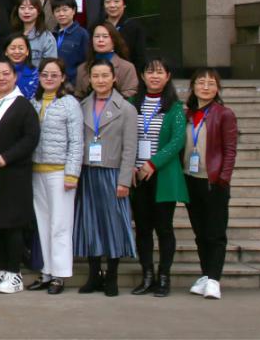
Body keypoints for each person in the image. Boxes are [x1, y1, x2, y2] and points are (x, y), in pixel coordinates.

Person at [75, 58, 138, 297]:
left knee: (114, 224)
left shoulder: (126, 109)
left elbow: (130, 148)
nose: (100, 80)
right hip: (87, 172)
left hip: (112, 172)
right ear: (89, 79)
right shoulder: (82, 106)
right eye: (96, 76)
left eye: (105, 76)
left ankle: (112, 275)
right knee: (89, 224)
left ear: (114, 78)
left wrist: (124, 180)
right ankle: (94, 274)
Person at [130, 56, 188, 298]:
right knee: (142, 229)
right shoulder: (132, 104)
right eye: (150, 72)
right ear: (143, 76)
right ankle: (147, 275)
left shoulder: (175, 108)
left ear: (168, 76)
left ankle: (164, 276)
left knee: (164, 228)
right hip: (137, 177)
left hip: (162, 175)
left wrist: (152, 163)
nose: (154, 76)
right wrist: (130, 166)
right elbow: (125, 137)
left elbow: (177, 141)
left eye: (160, 72)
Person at [0, 60, 40, 294]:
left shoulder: (23, 105)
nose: (1, 78)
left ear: (15, 77)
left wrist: (6, 157)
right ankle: (2, 268)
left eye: (6, 73)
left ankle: (14, 272)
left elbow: (31, 138)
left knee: (13, 223)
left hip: (14, 172)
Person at [29, 58, 84, 294]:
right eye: (45, 74)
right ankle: (46, 271)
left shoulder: (69, 103)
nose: (49, 79)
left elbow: (77, 141)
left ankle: (60, 275)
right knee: (43, 223)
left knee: (60, 225)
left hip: (60, 172)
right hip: (37, 170)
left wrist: (72, 173)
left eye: (54, 75)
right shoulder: (34, 102)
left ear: (63, 77)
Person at [184, 68, 238, 300]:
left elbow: (230, 150)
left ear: (217, 88)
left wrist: (223, 179)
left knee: (215, 232)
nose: (205, 87)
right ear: (193, 86)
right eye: (201, 82)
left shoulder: (224, 114)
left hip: (214, 181)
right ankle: (206, 275)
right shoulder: (188, 114)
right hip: (190, 179)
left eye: (211, 83)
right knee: (200, 232)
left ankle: (214, 279)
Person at [74, 22, 139, 99]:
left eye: (105, 36)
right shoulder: (82, 69)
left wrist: (107, 103)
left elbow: (131, 93)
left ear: (114, 40)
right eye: (97, 36)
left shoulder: (127, 67)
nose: (100, 40)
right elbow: (79, 96)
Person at [103, 0, 147, 71]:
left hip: (127, 73)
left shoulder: (134, 27)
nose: (112, 5)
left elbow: (140, 57)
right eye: (108, 1)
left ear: (124, 4)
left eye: (116, 1)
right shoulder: (97, 26)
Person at [13, 0, 58, 67]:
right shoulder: (12, 34)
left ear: (39, 11)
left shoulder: (47, 38)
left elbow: (50, 67)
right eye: (22, 8)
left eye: (31, 8)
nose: (26, 11)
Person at [52, 0, 89, 84]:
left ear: (73, 11)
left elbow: (87, 61)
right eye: (57, 11)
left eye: (65, 10)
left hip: (72, 83)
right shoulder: (51, 35)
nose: (61, 14)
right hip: (52, 81)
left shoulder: (82, 34)